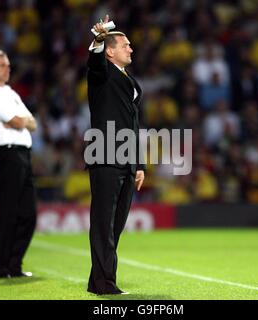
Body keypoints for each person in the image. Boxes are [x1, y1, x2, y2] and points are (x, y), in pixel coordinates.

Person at [86, 15, 145, 295]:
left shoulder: (127, 79)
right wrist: (98, 38)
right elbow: (94, 63)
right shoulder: (102, 74)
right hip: (105, 155)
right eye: (126, 45)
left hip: (126, 160)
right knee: (103, 224)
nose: (131, 49)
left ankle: (96, 279)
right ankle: (105, 284)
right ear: (111, 51)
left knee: (116, 225)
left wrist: (139, 164)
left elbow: (134, 125)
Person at [0, 49, 37, 279]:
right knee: (9, 213)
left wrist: (20, 122)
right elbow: (16, 120)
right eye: (2, 65)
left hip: (23, 154)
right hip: (8, 155)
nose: (8, 68)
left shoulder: (10, 92)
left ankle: (13, 265)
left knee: (29, 214)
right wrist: (19, 122)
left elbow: (31, 122)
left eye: (8, 64)